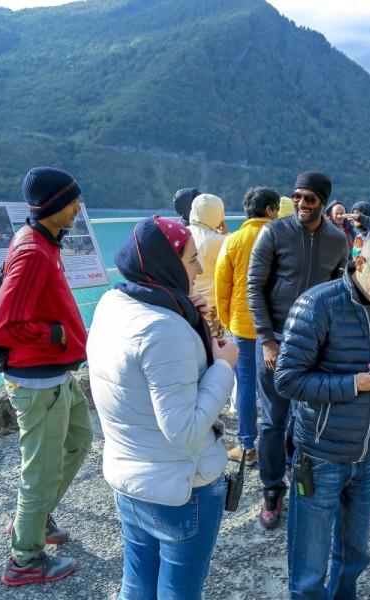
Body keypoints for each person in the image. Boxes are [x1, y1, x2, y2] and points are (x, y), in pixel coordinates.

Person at [88, 216, 238, 599]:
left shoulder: (114, 302)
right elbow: (184, 432)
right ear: (167, 265)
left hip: (131, 480)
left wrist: (186, 312)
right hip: (180, 488)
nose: (200, 269)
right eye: (191, 260)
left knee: (136, 584)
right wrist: (224, 366)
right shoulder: (164, 328)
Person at [274, 229, 370, 599]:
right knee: (308, 572)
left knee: (354, 558)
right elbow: (287, 380)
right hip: (320, 456)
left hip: (369, 457)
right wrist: (352, 384)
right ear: (359, 263)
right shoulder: (317, 304)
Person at [0, 167, 92, 586]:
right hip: (37, 379)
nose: (78, 207)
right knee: (40, 471)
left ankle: (34, 518)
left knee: (79, 440)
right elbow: (2, 326)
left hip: (55, 372)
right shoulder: (33, 251)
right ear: (52, 207)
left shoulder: (44, 242)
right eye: (71, 201)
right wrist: (56, 334)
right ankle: (24, 560)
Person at [247, 171, 348, 529]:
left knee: (309, 417)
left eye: (310, 198)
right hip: (276, 337)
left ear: (323, 200)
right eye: (298, 197)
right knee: (273, 420)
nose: (302, 204)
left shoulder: (338, 240)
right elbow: (254, 287)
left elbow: (340, 293)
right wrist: (267, 339)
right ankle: (272, 490)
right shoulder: (274, 233)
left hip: (315, 343)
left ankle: (301, 475)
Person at [215, 187, 281, 466]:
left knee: (245, 386)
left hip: (243, 325)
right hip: (276, 326)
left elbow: (222, 285)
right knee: (275, 386)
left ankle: (246, 445)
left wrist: (226, 320)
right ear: (269, 210)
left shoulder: (233, 240)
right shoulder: (282, 237)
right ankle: (275, 445)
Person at [188, 193, 227, 336]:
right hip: (209, 306)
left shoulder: (183, 234)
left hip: (186, 302)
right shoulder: (221, 241)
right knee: (213, 348)